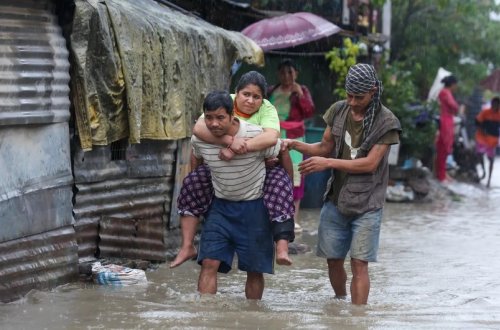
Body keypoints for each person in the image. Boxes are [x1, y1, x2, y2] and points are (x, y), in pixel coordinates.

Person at [282, 63, 401, 304]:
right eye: (349, 95)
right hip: (335, 199)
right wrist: (294, 144)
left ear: (373, 91)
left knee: (359, 262)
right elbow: (325, 146)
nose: (353, 102)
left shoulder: (387, 122)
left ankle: (357, 319)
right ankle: (340, 303)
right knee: (333, 260)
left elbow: (369, 164)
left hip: (368, 203)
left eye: (359, 97)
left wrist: (328, 163)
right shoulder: (338, 110)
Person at [170, 71, 295, 268]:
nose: (250, 100)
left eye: (256, 96)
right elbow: (199, 129)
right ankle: (187, 246)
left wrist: (238, 149)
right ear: (236, 94)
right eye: (246, 94)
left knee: (280, 185)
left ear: (262, 100)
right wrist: (229, 141)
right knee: (192, 182)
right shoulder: (222, 103)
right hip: (222, 166)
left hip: (261, 161)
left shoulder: (267, 109)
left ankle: (282, 247)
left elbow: (272, 138)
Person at [193, 90, 281, 299]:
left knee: (254, 269)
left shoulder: (256, 135)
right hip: (220, 207)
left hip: (254, 208)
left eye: (220, 117)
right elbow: (195, 161)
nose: (214, 124)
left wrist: (283, 200)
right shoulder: (200, 139)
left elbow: (278, 150)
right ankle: (204, 314)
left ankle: (252, 315)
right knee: (209, 262)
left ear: (233, 116)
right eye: (209, 118)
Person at [268, 58, 315, 233]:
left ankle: (294, 218)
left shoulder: (301, 90)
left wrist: (301, 96)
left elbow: (309, 111)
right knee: (273, 169)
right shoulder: (271, 90)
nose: (286, 76)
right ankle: (275, 214)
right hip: (274, 135)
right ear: (278, 74)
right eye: (283, 72)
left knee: (296, 174)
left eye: (290, 72)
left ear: (296, 74)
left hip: (294, 138)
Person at [435, 75, 460, 183]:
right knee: (443, 147)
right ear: (453, 84)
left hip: (448, 120)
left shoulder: (447, 92)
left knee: (446, 148)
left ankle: (443, 173)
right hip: (445, 120)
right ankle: (441, 175)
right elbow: (454, 106)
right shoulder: (445, 92)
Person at [475, 96, 500, 187]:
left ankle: (488, 179)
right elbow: (477, 122)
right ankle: (484, 172)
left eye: (497, 105)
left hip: (493, 139)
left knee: (491, 159)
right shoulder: (485, 112)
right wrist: (482, 129)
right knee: (479, 154)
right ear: (492, 104)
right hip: (482, 137)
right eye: (494, 104)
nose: (495, 106)